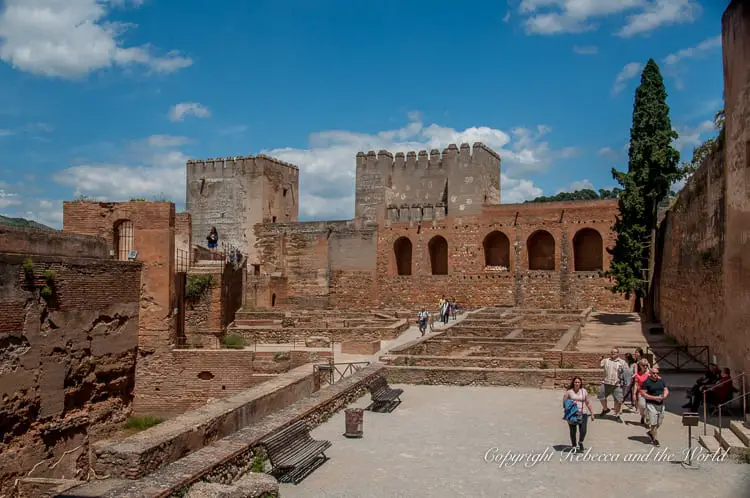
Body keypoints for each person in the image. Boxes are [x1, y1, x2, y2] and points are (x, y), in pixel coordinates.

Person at [563, 377, 595, 453]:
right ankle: (574, 446)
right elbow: (564, 404)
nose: (577, 383)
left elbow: (588, 402)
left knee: (583, 430)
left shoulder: (584, 391)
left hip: (583, 413)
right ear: (573, 383)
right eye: (575, 382)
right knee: (573, 431)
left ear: (580, 383)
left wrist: (592, 413)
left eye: (578, 382)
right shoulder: (569, 392)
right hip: (572, 414)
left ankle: (580, 442)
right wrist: (571, 403)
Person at [640, 363, 669, 446]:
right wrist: (654, 398)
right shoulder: (646, 382)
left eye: (657, 373)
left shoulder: (661, 381)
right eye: (654, 373)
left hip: (661, 405)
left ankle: (651, 433)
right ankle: (655, 439)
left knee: (659, 423)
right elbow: (643, 394)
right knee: (654, 423)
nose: (656, 375)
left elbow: (666, 389)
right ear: (650, 373)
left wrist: (664, 396)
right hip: (651, 405)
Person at [598, 347, 626, 423]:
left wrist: (622, 380)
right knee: (601, 396)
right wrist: (600, 359)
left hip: (617, 384)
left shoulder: (622, 362)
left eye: (615, 352)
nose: (613, 353)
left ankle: (617, 415)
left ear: (618, 353)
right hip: (606, 382)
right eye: (612, 352)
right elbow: (600, 365)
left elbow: (625, 373)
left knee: (618, 400)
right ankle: (605, 409)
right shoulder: (606, 361)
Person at [633, 358, 651, 425]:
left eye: (646, 365)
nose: (645, 367)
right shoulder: (638, 374)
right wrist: (634, 393)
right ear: (640, 365)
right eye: (643, 365)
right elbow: (636, 384)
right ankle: (643, 416)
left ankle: (648, 419)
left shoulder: (650, 374)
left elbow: (657, 378)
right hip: (641, 393)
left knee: (649, 407)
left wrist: (650, 369)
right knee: (642, 406)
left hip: (650, 393)